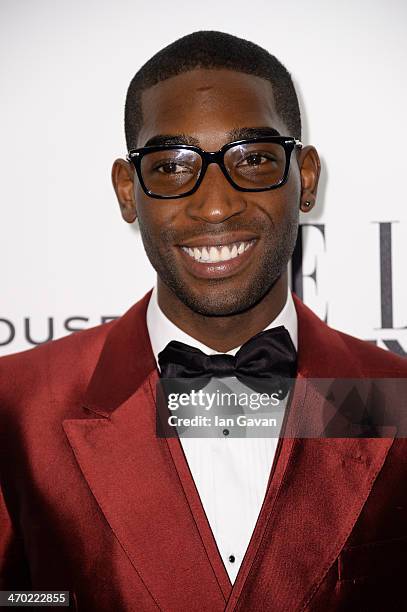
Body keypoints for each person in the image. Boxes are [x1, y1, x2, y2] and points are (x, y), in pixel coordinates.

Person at [1, 30, 406, 612]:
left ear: (307, 178)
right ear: (127, 190)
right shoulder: (15, 407)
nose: (216, 206)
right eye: (172, 166)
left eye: (255, 160)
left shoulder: (396, 397)